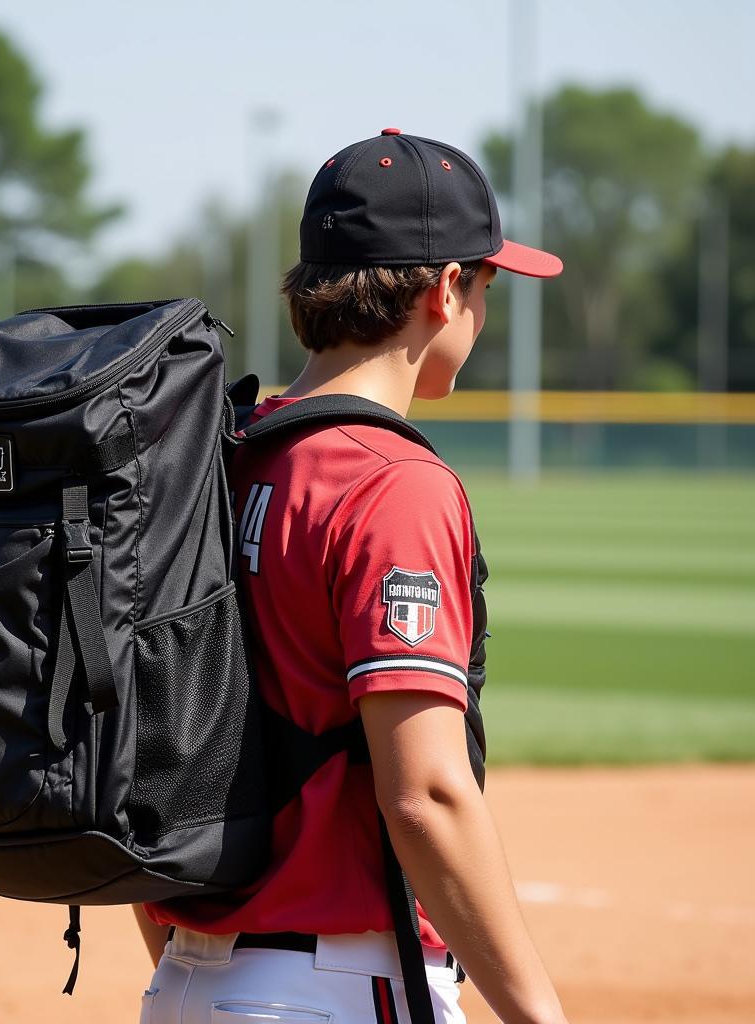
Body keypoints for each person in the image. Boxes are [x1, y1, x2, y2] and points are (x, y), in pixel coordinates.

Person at [133, 129, 569, 1024]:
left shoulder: (216, 455)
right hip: (334, 991)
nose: (484, 314)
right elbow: (426, 795)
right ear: (447, 290)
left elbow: (157, 751)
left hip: (183, 981)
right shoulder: (393, 484)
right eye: (487, 287)